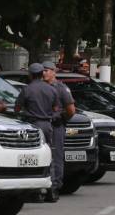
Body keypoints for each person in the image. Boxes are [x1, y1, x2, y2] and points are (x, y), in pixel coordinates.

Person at [15, 63, 60, 202]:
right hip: (47, 125)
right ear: (42, 74)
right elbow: (56, 108)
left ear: (30, 75)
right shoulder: (52, 89)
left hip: (32, 127)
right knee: (48, 157)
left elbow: (17, 108)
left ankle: (34, 192)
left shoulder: (27, 90)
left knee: (31, 158)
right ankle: (51, 191)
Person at [42, 61, 75, 200]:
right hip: (43, 125)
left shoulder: (61, 88)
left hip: (56, 126)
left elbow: (71, 110)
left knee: (56, 156)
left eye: (47, 70)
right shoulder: (41, 87)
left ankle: (55, 186)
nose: (44, 73)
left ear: (54, 72)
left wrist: (61, 119)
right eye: (42, 70)